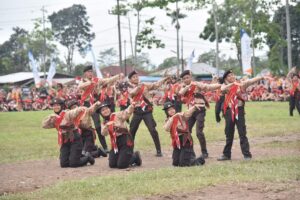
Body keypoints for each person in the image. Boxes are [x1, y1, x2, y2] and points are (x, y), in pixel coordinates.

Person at [217, 70, 269, 161]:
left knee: (242, 133)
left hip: (239, 110)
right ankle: (226, 155)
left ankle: (247, 155)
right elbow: (222, 90)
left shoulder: (241, 84)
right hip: (229, 112)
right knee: (229, 134)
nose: (232, 76)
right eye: (229, 76)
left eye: (232, 75)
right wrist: (234, 84)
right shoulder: (225, 86)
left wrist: (261, 77)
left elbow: (251, 81)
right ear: (225, 79)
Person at [78, 65, 123, 152]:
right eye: (88, 72)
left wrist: (117, 76)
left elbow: (108, 80)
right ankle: (93, 147)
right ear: (85, 73)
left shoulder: (97, 80)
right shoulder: (83, 81)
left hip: (97, 104)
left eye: (91, 71)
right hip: (87, 105)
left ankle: (109, 146)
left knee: (104, 124)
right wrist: (90, 83)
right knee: (90, 126)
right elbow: (80, 86)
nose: (90, 73)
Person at [178, 70, 221, 158]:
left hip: (200, 110)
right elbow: (180, 93)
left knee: (199, 132)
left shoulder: (197, 84)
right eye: (184, 79)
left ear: (191, 77)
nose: (186, 79)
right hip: (190, 111)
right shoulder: (183, 87)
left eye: (187, 77)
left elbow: (208, 87)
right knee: (186, 132)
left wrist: (220, 85)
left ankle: (204, 152)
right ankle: (190, 151)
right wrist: (188, 86)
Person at [128, 70, 171, 157]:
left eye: (136, 76)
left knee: (152, 130)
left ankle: (159, 150)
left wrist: (164, 79)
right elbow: (132, 93)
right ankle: (129, 151)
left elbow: (156, 85)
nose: (136, 78)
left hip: (147, 111)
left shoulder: (144, 85)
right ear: (130, 80)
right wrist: (139, 87)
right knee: (132, 131)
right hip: (137, 111)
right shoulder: (129, 87)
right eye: (133, 77)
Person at [42, 98, 95, 168]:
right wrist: (49, 118)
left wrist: (80, 108)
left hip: (75, 139)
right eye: (54, 105)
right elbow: (44, 125)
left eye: (58, 105)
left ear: (62, 106)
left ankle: (87, 157)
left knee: (74, 163)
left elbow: (74, 112)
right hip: (64, 141)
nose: (56, 107)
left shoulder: (67, 113)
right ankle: (79, 156)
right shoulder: (54, 118)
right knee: (64, 164)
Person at [99, 102, 142, 169]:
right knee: (112, 165)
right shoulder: (104, 122)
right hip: (115, 143)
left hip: (125, 140)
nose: (105, 111)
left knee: (121, 165)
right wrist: (106, 126)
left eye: (106, 108)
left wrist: (132, 105)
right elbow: (104, 134)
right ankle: (121, 157)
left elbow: (126, 113)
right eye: (103, 110)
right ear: (101, 113)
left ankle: (135, 157)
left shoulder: (116, 115)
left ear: (109, 109)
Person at [163, 102, 205, 166]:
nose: (171, 111)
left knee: (183, 164)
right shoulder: (168, 120)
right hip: (177, 142)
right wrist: (173, 117)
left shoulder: (180, 115)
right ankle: (189, 158)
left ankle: (200, 160)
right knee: (175, 163)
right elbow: (166, 128)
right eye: (169, 110)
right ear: (166, 112)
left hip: (185, 140)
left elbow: (187, 113)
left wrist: (194, 107)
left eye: (172, 109)